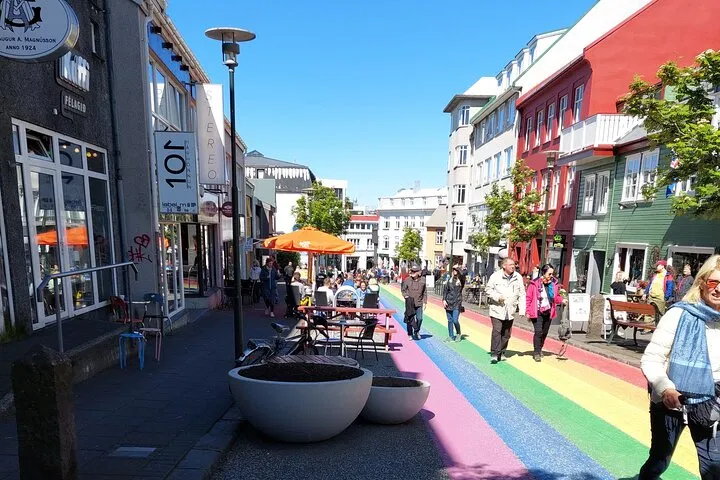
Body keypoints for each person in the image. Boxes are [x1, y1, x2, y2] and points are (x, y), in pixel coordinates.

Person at [639, 255, 720, 479]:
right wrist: (666, 389)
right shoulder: (679, 314)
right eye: (713, 282)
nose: (718, 289)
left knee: (714, 469)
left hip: (712, 405)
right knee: (659, 460)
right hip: (671, 402)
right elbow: (652, 358)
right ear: (702, 283)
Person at [486, 257, 526, 364]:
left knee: (506, 333)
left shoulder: (518, 277)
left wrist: (522, 309)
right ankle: (494, 353)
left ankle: (502, 352)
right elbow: (488, 290)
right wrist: (497, 296)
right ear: (504, 266)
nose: (513, 267)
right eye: (510, 265)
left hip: (510, 310)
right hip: (497, 309)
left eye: (514, 265)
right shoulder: (495, 276)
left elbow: (522, 294)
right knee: (497, 331)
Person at [526, 264, 567, 362]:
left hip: (548, 311)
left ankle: (540, 348)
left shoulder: (553, 284)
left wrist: (562, 300)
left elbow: (555, 297)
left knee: (544, 332)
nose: (551, 276)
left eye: (553, 274)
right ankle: (536, 352)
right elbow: (528, 298)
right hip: (537, 311)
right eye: (549, 274)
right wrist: (527, 311)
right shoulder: (534, 283)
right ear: (543, 273)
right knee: (538, 331)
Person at [401, 265, 427, 341]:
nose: (412, 272)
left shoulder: (423, 280)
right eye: (412, 271)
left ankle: (416, 331)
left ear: (419, 272)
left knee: (420, 318)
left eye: (414, 271)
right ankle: (410, 334)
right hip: (410, 303)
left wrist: (425, 301)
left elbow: (425, 291)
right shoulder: (407, 280)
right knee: (409, 319)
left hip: (419, 303)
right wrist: (405, 296)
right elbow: (403, 290)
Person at [442, 266, 464, 342]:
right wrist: (444, 300)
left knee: (455, 320)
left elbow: (462, 275)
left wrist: (458, 268)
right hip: (449, 303)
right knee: (450, 320)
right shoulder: (449, 281)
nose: (454, 271)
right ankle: (451, 336)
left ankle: (458, 333)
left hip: (457, 303)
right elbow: (445, 291)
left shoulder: (461, 280)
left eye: (456, 270)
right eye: (453, 270)